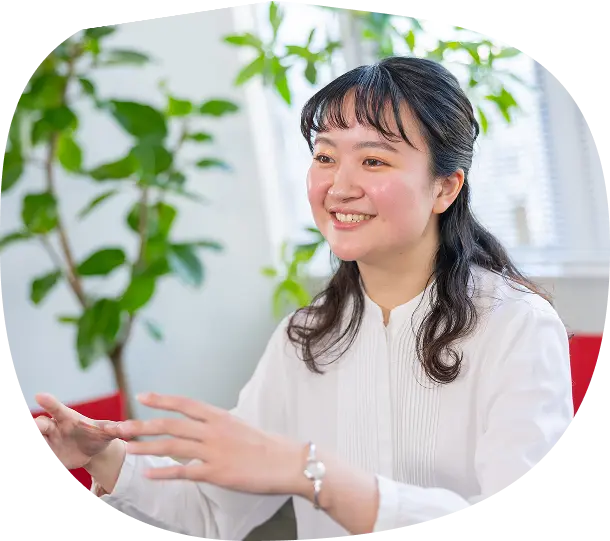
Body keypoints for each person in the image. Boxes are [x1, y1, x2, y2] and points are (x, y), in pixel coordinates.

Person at [33, 56, 574, 539]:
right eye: (324, 156)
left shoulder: (517, 325)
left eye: (374, 161)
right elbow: (215, 511)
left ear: (445, 187)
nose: (339, 186)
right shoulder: (307, 336)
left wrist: (315, 473)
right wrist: (106, 457)